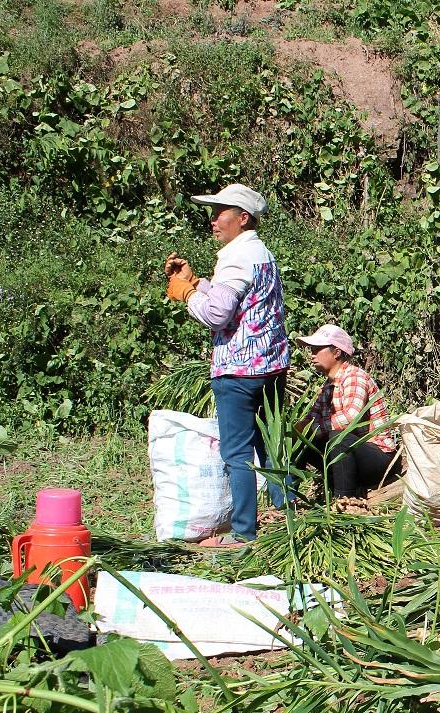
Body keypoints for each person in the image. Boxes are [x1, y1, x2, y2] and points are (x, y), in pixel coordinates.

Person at [164, 183, 290, 546]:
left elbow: (218, 313)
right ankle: (290, 516)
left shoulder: (235, 257)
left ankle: (244, 533)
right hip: (269, 365)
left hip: (238, 371)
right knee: (271, 445)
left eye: (220, 213)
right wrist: (197, 281)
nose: (213, 221)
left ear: (243, 217)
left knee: (237, 453)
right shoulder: (259, 252)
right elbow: (238, 297)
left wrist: (186, 294)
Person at [295, 324, 399, 498]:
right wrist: (301, 430)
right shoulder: (328, 385)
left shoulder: (354, 377)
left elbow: (350, 418)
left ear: (336, 352)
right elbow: (311, 420)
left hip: (378, 457)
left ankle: (344, 501)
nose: (312, 354)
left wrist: (311, 429)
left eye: (317, 349)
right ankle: (290, 499)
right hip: (349, 456)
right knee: (299, 439)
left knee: (338, 437)